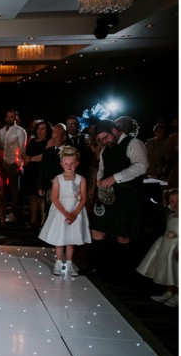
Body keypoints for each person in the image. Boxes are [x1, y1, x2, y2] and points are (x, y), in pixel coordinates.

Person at [83, 119, 149, 278]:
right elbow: (101, 168)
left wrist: (115, 178)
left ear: (115, 130)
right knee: (97, 230)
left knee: (122, 235)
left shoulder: (134, 143)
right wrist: (99, 180)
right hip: (106, 196)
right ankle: (98, 268)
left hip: (127, 195)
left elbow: (141, 166)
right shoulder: (107, 149)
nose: (104, 141)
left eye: (106, 137)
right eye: (101, 140)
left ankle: (120, 273)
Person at [38, 146, 91, 276]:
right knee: (60, 238)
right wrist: (66, 213)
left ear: (77, 164)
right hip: (61, 211)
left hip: (75, 210)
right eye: (66, 163)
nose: (69, 166)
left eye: (72, 163)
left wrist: (75, 213)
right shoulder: (58, 179)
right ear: (61, 164)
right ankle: (58, 263)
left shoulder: (81, 179)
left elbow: (83, 198)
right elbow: (55, 198)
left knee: (71, 239)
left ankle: (69, 264)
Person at [136, 188, 179, 307]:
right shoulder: (170, 216)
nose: (175, 204)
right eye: (172, 201)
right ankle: (169, 292)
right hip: (167, 246)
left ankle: (177, 295)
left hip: (176, 248)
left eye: (178, 201)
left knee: (176, 271)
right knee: (168, 270)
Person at [0, 109, 27, 224]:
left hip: (13, 163)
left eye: (11, 116)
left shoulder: (20, 131)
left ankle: (13, 213)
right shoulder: (1, 131)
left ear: (15, 118)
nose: (9, 118)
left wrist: (19, 164)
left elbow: (22, 148)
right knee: (3, 189)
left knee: (14, 190)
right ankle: (2, 212)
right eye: (7, 116)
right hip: (2, 163)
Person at [22, 120, 52, 229]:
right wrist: (26, 158)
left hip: (40, 170)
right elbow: (24, 152)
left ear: (47, 130)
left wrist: (30, 159)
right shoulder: (32, 139)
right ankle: (33, 220)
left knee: (41, 197)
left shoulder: (50, 141)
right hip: (30, 170)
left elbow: (45, 156)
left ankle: (43, 222)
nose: (40, 131)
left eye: (43, 128)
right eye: (38, 128)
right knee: (31, 197)